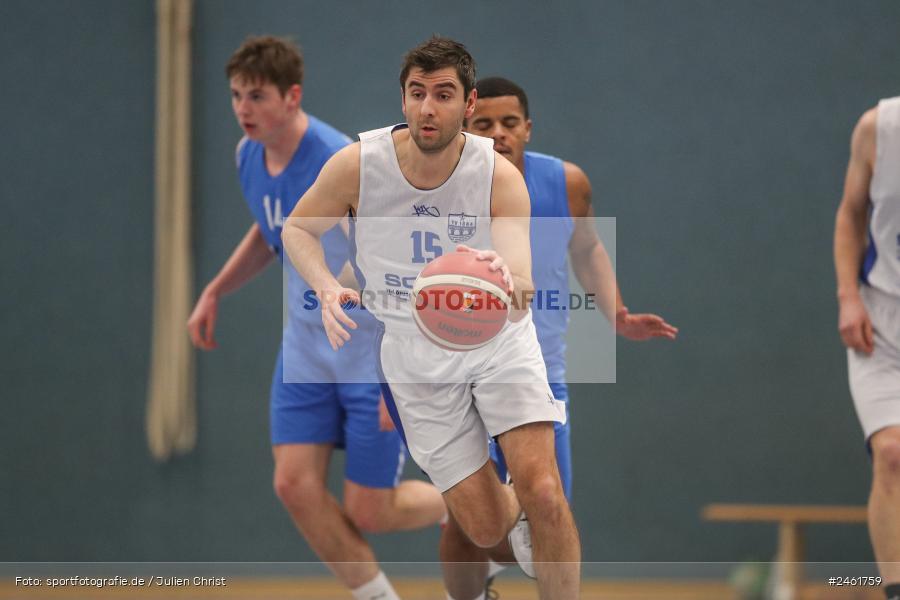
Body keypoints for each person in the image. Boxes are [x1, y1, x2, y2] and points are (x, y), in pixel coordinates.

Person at [282, 37, 581, 599]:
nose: (427, 107)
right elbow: (297, 228)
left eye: (443, 95)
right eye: (417, 93)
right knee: (487, 528)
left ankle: (538, 513)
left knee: (545, 490)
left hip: (497, 341)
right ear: (402, 99)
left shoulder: (497, 175)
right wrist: (325, 286)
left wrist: (505, 278)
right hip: (414, 357)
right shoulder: (357, 166)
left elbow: (521, 283)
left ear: (468, 106)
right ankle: (515, 513)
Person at [186, 36, 445, 600]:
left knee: (369, 509)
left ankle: (465, 503)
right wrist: (216, 289)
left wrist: (402, 371)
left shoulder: (337, 161)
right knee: (293, 485)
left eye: (256, 96)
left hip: (367, 353)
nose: (243, 109)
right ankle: (377, 596)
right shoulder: (246, 155)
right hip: (305, 351)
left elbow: (395, 261)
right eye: (235, 96)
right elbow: (273, 227)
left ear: (292, 95)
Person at [436, 76, 678, 599]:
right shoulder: (441, 188)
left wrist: (617, 314)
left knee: (547, 507)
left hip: (538, 378)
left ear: (527, 127)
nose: (498, 133)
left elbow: (586, 249)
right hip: (457, 383)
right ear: (465, 128)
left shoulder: (566, 183)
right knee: (465, 528)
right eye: (484, 124)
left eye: (509, 122)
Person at [834, 97, 900, 600]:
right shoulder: (878, 128)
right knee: (893, 454)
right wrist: (848, 295)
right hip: (881, 319)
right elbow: (852, 215)